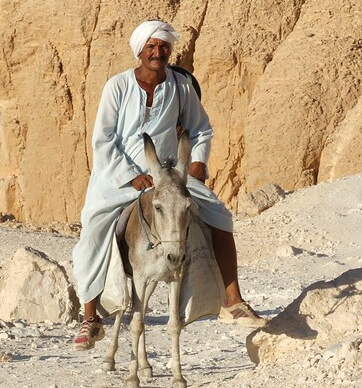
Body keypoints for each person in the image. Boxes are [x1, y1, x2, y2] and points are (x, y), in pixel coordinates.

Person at [72, 20, 266, 351]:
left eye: (163, 47)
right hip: (117, 176)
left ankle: (232, 301)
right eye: (151, 47)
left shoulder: (180, 86)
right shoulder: (117, 87)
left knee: (220, 214)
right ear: (140, 52)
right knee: (93, 226)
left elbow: (201, 129)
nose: (157, 53)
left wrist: (197, 164)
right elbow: (103, 140)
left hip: (168, 173)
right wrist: (131, 176)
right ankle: (90, 317)